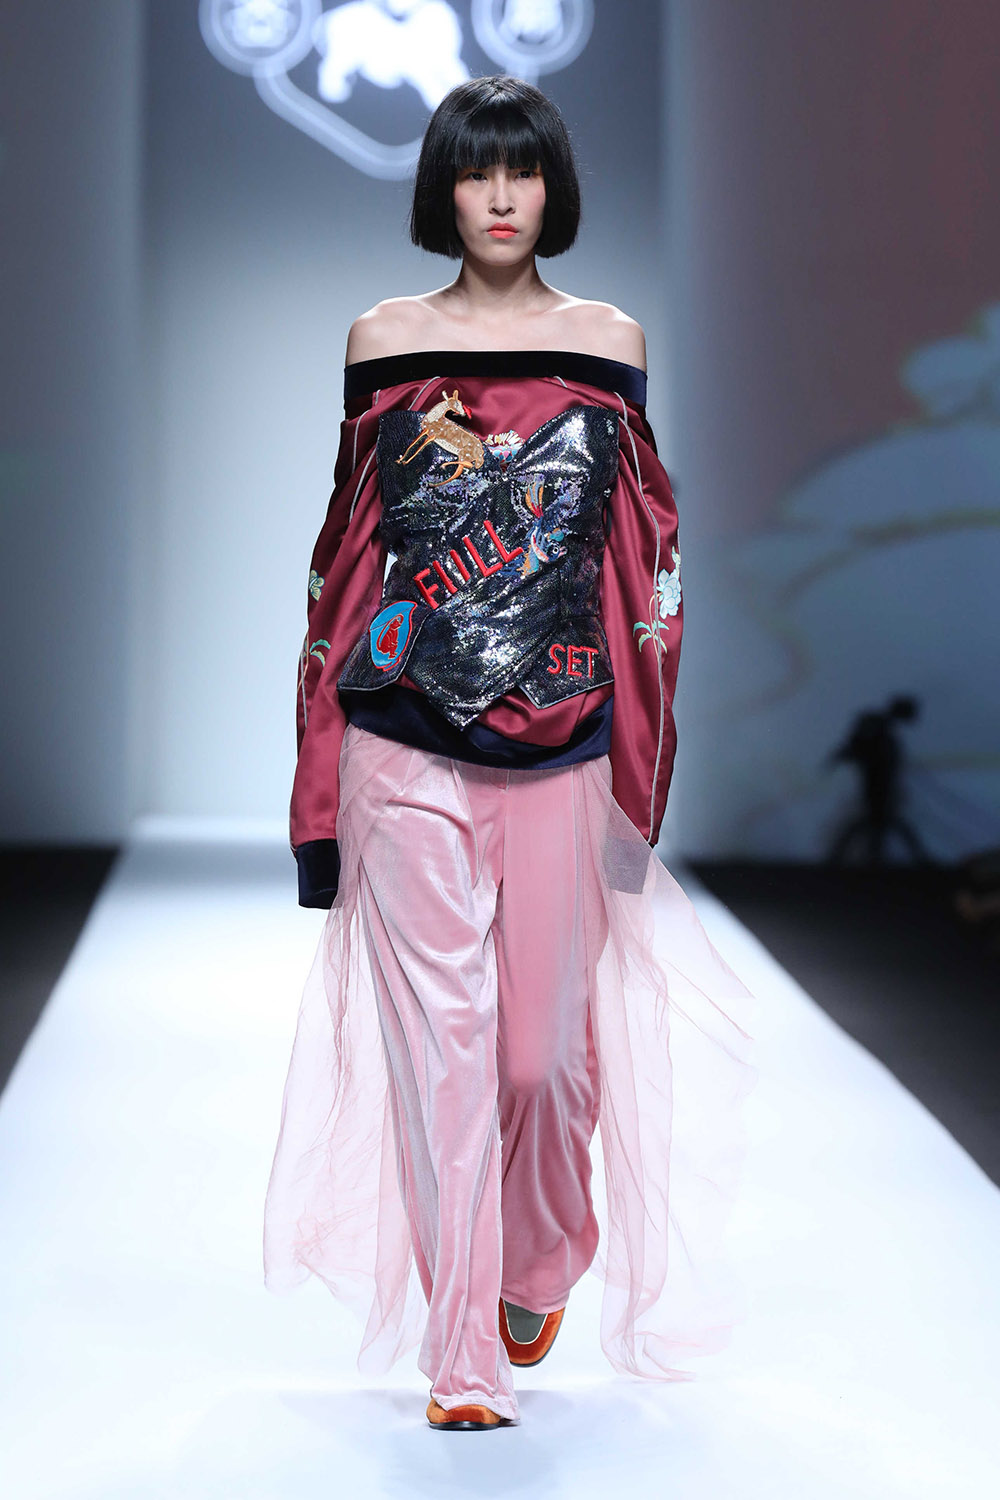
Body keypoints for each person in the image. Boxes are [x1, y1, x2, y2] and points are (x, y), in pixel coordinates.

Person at [263, 75, 756, 1433]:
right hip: (402, 738)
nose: (498, 197)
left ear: (553, 189)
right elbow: (346, 563)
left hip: (566, 741)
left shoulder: (608, 341)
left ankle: (538, 1260)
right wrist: (318, 792)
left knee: (542, 1061)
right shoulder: (384, 338)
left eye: (521, 171)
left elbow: (642, 571)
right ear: (442, 189)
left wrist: (641, 780)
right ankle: (463, 1362)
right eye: (475, 172)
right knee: (448, 1054)